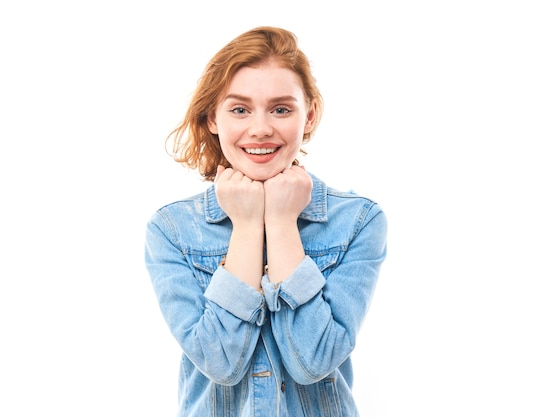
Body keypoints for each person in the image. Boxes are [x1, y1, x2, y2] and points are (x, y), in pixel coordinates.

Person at [144, 26, 387, 417]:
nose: (260, 128)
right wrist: (245, 227)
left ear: (308, 116)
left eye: (281, 109)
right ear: (212, 118)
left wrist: (281, 223)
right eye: (240, 109)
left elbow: (314, 361)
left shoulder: (357, 221)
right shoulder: (172, 229)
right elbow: (221, 363)